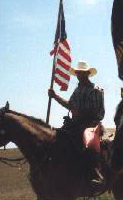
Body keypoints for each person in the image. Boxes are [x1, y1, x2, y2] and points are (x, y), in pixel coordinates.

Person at [49, 60, 105, 194]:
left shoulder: (96, 90)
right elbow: (70, 105)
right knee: (57, 138)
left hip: (91, 124)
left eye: (82, 73)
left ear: (87, 74)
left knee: (89, 142)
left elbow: (99, 111)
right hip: (75, 123)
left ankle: (95, 174)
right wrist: (55, 96)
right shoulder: (77, 90)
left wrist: (82, 113)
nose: (79, 75)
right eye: (78, 73)